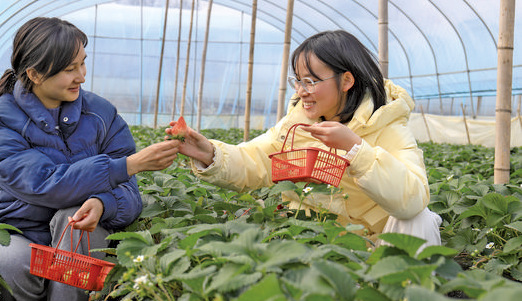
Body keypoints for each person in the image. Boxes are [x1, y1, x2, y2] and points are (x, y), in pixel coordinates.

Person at [0, 17, 180, 301]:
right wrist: (125, 166)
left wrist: (103, 203)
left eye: (83, 63)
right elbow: (43, 182)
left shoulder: (101, 114)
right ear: (35, 74)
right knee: (7, 260)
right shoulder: (1, 120)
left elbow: (130, 196)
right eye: (70, 68)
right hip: (24, 234)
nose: (82, 75)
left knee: (72, 221)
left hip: (79, 240)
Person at [168, 29, 441, 248]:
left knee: (420, 219)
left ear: (346, 81)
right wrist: (209, 154)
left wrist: (355, 148)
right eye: (297, 80)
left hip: (373, 247)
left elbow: (413, 197)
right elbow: (257, 158)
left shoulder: (387, 127)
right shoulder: (296, 123)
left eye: (310, 81)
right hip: (310, 239)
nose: (301, 91)